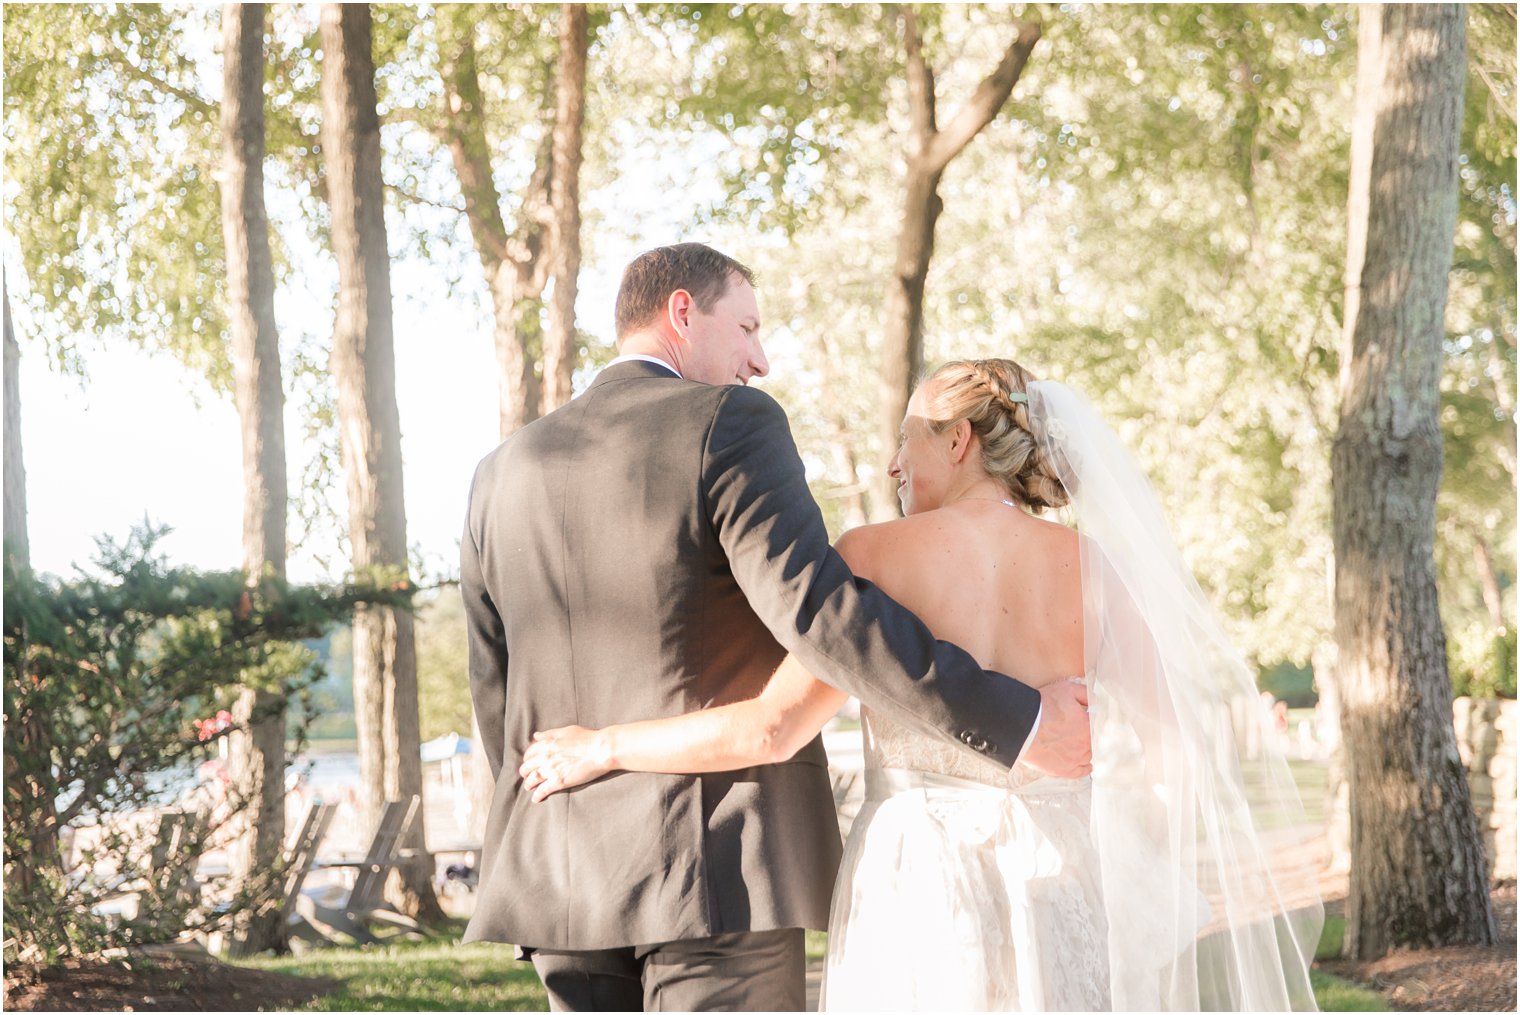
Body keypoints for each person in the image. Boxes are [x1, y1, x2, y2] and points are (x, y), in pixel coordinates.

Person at [523, 357, 1325, 1011]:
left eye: (907, 438)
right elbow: (1178, 749)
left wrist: (601, 745)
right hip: (1066, 874)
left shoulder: (873, 555)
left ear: (959, 441)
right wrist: (1129, 852)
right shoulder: (1093, 569)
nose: (892, 462)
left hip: (916, 877)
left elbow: (772, 728)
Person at [459, 246, 1092, 1012]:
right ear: (683, 312)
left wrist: (537, 800)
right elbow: (825, 616)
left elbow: (492, 680)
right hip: (713, 868)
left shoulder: (500, 470)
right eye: (748, 327)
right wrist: (1017, 717)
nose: (758, 360)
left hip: (558, 874)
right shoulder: (730, 422)